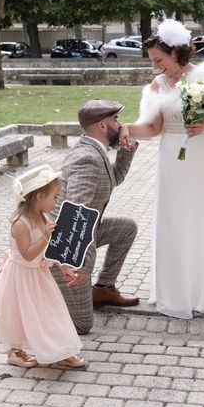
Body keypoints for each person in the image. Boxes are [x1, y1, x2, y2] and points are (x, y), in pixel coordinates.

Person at [120, 19, 204, 320]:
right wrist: (126, 128)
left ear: (176, 52)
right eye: (152, 61)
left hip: (203, 156)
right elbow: (153, 128)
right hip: (173, 161)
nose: (156, 67)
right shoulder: (157, 85)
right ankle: (178, 290)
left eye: (159, 60)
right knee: (176, 220)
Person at [50, 99, 140, 335]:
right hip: (64, 249)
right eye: (115, 120)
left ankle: (103, 289)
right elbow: (76, 214)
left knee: (126, 228)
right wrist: (81, 266)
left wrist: (125, 151)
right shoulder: (87, 158)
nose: (120, 125)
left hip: (84, 232)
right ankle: (30, 308)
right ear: (102, 125)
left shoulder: (92, 149)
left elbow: (113, 179)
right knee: (82, 325)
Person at [0, 164, 88, 370]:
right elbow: (27, 255)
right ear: (38, 196)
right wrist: (45, 236)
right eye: (54, 196)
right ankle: (15, 352)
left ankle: (60, 351)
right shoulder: (20, 223)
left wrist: (64, 268)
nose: (56, 201)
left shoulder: (43, 218)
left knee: (52, 312)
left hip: (40, 276)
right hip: (21, 278)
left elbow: (52, 249)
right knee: (20, 315)